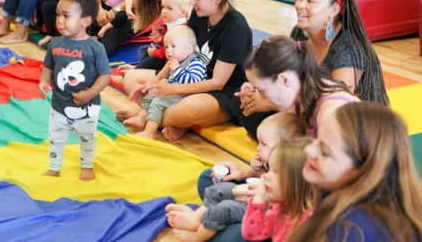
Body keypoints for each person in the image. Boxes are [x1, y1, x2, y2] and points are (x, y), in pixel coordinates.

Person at [119, 0, 262, 142]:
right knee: (132, 78)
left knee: (190, 108)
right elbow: (184, 55)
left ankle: (150, 117)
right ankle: (170, 120)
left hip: (222, 92)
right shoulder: (199, 13)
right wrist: (156, 82)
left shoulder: (236, 28)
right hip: (190, 76)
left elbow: (217, 82)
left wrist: (170, 89)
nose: (192, 2)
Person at [289, 102, 422, 242]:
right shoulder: (338, 196)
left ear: (362, 170)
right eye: (317, 140)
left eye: (325, 152)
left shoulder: (353, 230)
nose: (308, 150)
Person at [167, 138, 316, 242]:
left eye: (275, 173)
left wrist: (258, 201)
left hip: (252, 229)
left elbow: (252, 233)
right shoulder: (282, 202)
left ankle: (200, 233)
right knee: (213, 181)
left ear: (296, 183)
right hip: (264, 205)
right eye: (269, 170)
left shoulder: (299, 220)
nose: (266, 176)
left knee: (229, 214)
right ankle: (201, 218)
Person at [191, 111, 302, 242]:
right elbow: (265, 179)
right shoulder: (278, 163)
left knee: (229, 213)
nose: (258, 148)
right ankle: (208, 221)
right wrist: (253, 171)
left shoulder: (295, 173)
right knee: (209, 177)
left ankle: (201, 228)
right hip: (258, 200)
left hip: (265, 214)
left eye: (264, 144)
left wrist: (258, 196)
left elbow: (278, 207)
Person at [38, 0, 110, 181]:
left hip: (86, 108)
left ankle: (87, 166)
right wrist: (44, 82)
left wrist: (90, 93)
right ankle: (54, 167)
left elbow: (105, 76)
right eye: (57, 15)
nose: (60, 21)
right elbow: (48, 66)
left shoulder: (95, 48)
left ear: (86, 21)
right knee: (55, 138)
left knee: (87, 138)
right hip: (59, 106)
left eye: (66, 16)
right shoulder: (56, 44)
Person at [291, 0, 388, 105]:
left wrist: (275, 103)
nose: (299, 5)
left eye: (310, 1)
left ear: (334, 9)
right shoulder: (299, 34)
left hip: (349, 120)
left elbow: (333, 105)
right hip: (311, 113)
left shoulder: (349, 48)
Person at [124, 26, 207, 139]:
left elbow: (194, 82)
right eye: (166, 46)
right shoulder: (174, 62)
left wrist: (177, 70)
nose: (168, 50)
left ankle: (149, 132)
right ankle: (142, 117)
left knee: (159, 102)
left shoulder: (196, 63)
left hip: (186, 95)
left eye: (173, 46)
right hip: (173, 93)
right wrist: (153, 86)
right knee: (150, 94)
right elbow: (160, 78)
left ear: (189, 49)